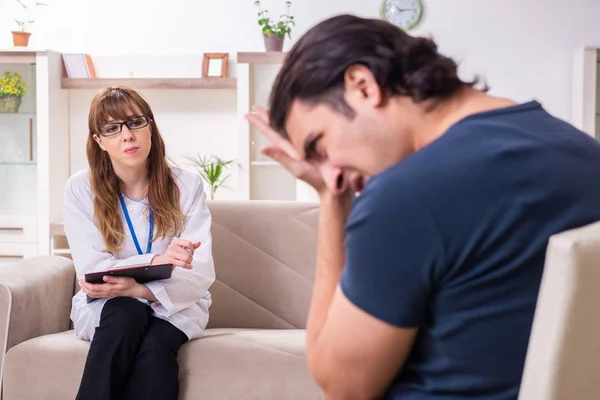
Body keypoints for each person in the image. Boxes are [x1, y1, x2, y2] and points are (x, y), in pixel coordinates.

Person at [246, 14, 600, 400]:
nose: (331, 173)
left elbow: (343, 387)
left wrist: (333, 201)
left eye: (319, 145)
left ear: (362, 86)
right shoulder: (580, 150)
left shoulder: (407, 196)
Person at [63, 86, 215, 400]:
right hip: (107, 305)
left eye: (135, 123)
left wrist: (138, 288)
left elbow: (198, 273)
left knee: (156, 345)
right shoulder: (80, 188)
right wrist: (159, 263)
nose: (127, 135)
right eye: (112, 128)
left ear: (150, 127)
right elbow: (94, 270)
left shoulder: (186, 186)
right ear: (99, 141)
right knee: (125, 313)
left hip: (173, 306)